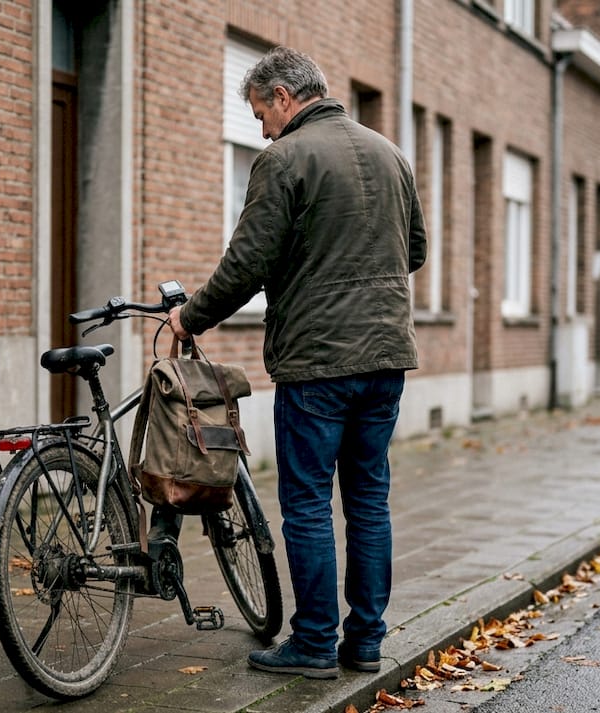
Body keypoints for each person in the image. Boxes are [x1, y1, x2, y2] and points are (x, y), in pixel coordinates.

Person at [167, 46, 426, 679]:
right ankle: (365, 642)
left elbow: (248, 262)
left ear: (284, 96)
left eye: (260, 112)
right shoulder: (390, 153)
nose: (260, 128)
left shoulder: (283, 159)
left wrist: (190, 316)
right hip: (386, 357)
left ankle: (313, 643)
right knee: (368, 499)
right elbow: (413, 250)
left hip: (317, 362)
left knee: (307, 500)